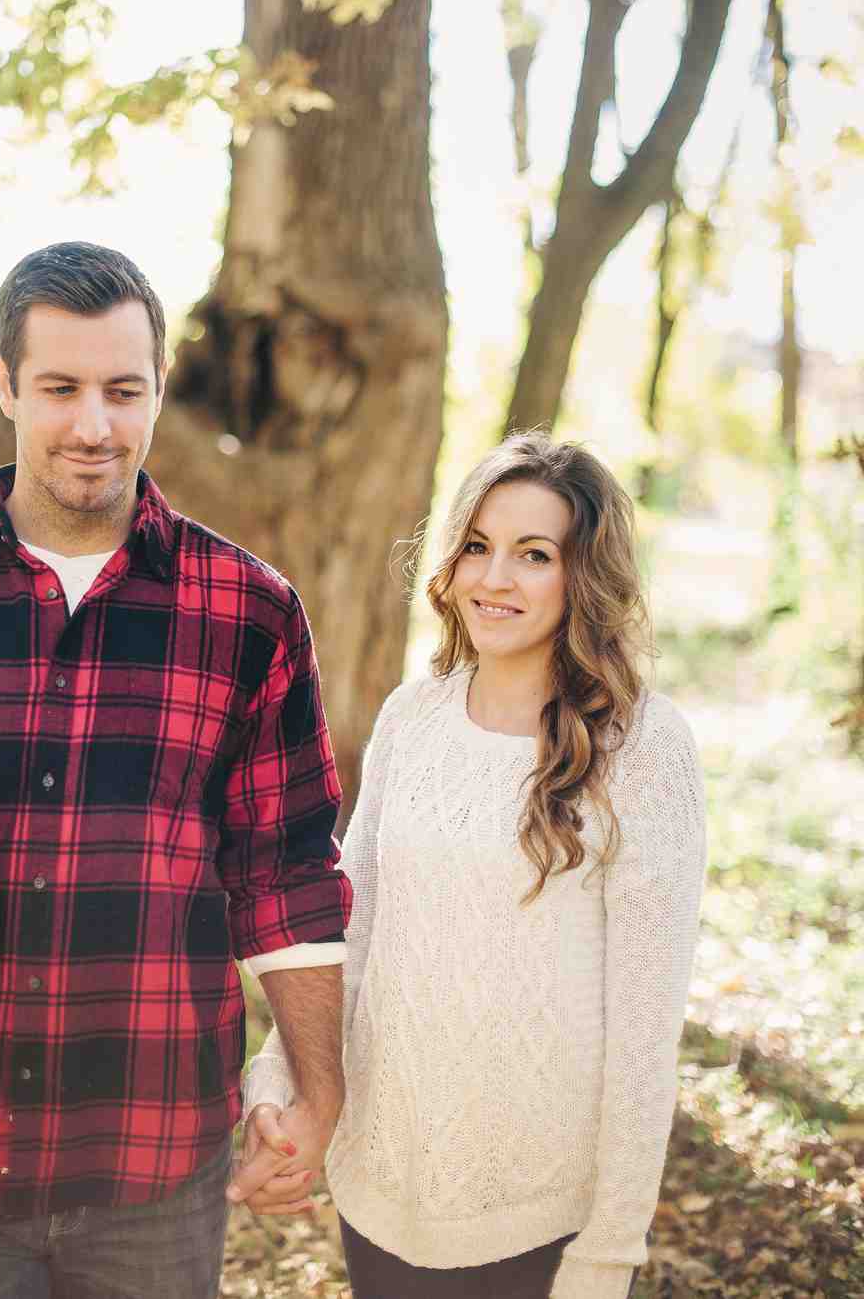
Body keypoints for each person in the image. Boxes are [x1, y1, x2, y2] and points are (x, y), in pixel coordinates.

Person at [0, 241, 351, 1299]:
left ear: (159, 389)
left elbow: (285, 878)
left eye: (123, 389)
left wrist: (318, 1095)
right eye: (61, 388)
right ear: (6, 384)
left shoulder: (247, 613)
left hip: (153, 1182)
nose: (93, 425)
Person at [235, 433, 708, 1299]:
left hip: (538, 1209)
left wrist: (609, 1251)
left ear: (583, 578)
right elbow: (352, 929)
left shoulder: (643, 748)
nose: (496, 579)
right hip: (381, 1182)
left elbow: (646, 1030)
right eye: (480, 547)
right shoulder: (412, 718)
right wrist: (282, 1084)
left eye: (535, 555)